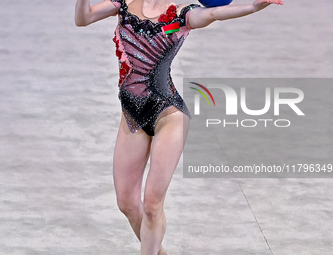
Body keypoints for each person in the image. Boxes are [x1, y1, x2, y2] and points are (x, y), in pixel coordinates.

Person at [74, 0, 283, 254]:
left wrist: (252, 6)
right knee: (127, 203)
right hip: (132, 117)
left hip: (169, 116)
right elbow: (83, 18)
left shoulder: (182, 14)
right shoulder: (124, 3)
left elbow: (215, 13)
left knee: (152, 204)